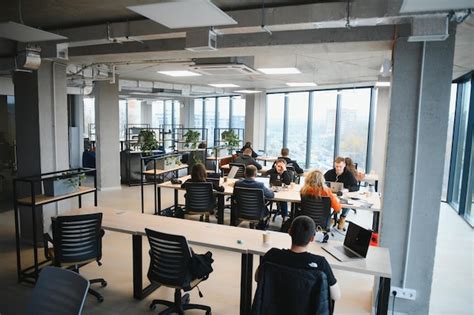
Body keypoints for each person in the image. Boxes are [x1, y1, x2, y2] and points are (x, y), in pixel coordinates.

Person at [256, 215, 341, 302]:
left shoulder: (272, 255)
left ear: (289, 232)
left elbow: (257, 278)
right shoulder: (320, 263)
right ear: (312, 238)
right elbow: (336, 296)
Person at [324, 156, 359, 230]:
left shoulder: (348, 174)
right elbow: (322, 182)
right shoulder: (330, 173)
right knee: (325, 201)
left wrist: (346, 190)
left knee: (348, 202)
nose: (338, 168)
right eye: (336, 166)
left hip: (343, 195)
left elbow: (356, 187)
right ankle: (330, 218)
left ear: (344, 165)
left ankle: (342, 217)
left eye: (340, 166)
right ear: (334, 165)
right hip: (331, 195)